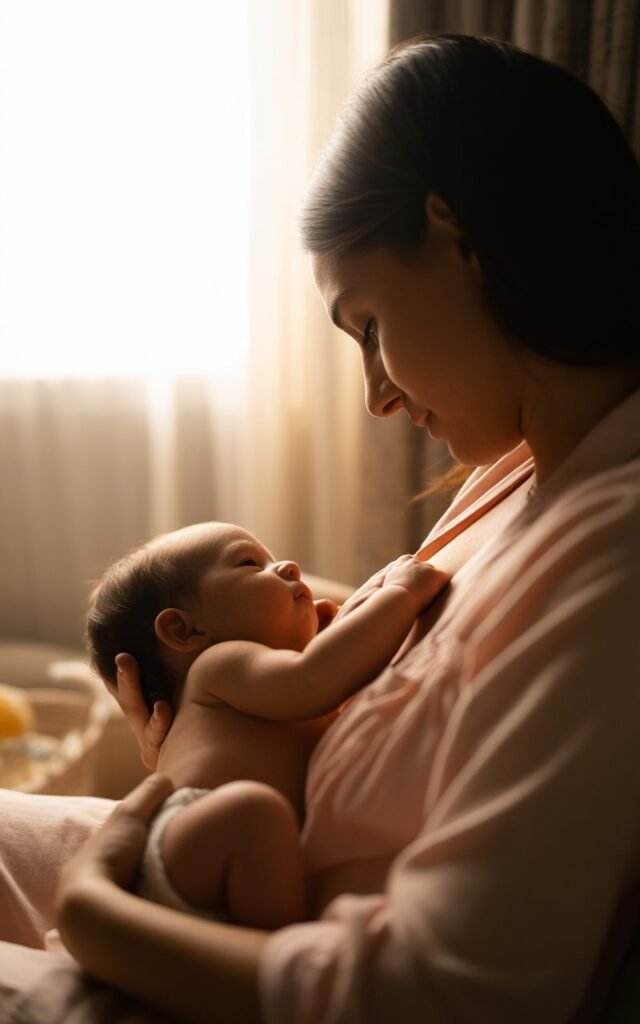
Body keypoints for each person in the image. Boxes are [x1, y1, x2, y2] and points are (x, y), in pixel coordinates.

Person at [1, 31, 640, 1024]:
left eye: (369, 324)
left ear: (452, 230)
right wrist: (198, 724)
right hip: (238, 848)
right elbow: (399, 663)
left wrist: (95, 905)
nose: (377, 398)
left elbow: (441, 994)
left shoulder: (614, 549)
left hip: (262, 940)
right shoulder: (517, 470)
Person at [85, 520, 448, 927]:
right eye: (248, 563)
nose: (290, 567)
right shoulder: (218, 665)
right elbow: (314, 678)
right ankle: (272, 958)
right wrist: (401, 593)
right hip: (196, 830)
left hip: (214, 856)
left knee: (259, 818)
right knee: (253, 813)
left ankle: (247, 954)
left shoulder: (255, 685)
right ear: (184, 629)